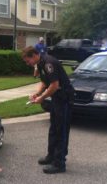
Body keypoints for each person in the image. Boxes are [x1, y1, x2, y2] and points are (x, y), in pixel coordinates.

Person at [22, 46, 74, 174]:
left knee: (61, 130)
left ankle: (59, 163)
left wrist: (42, 98)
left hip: (64, 98)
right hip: (56, 99)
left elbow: (54, 85)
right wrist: (37, 93)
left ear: (34, 55)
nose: (27, 64)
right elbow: (45, 82)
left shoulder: (48, 63)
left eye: (28, 61)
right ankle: (51, 156)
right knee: (54, 128)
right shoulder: (40, 64)